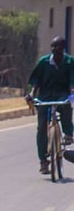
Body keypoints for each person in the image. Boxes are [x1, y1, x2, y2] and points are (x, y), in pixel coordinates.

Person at [25, 36, 74, 174]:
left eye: (57, 46)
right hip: (45, 96)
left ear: (63, 48)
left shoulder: (70, 62)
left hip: (62, 95)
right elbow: (36, 81)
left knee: (66, 108)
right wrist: (32, 94)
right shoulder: (44, 62)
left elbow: (72, 79)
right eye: (52, 46)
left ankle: (68, 133)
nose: (54, 49)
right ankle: (43, 161)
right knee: (41, 127)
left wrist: (72, 91)